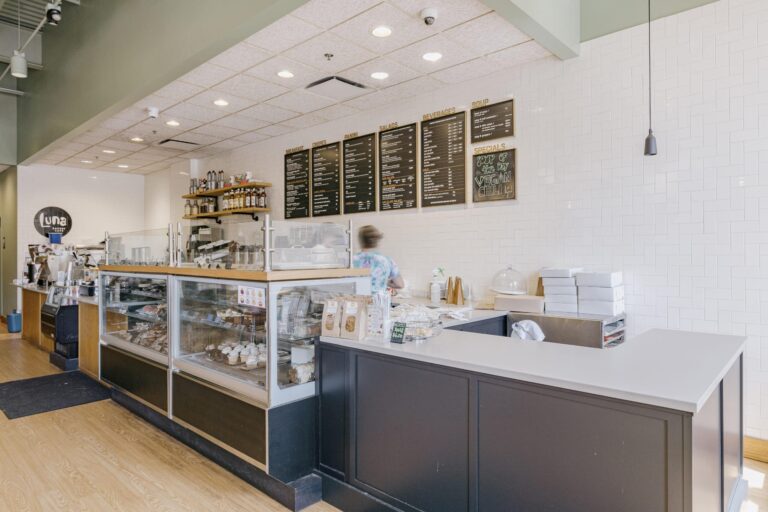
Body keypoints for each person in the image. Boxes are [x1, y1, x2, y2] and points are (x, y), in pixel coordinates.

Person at [353, 225, 404, 294]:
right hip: (379, 299)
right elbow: (400, 284)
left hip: (357, 299)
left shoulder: (352, 260)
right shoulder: (387, 260)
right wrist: (385, 282)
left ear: (361, 241)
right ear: (377, 241)